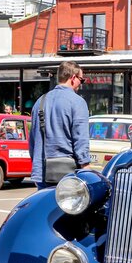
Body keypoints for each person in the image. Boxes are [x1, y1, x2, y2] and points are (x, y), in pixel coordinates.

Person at [29, 61, 91, 190]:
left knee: (46, 209)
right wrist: (86, 167)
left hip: (42, 172)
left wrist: (36, 167)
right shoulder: (77, 102)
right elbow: (80, 139)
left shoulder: (40, 101)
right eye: (81, 79)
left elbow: (32, 141)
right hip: (67, 173)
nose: (81, 83)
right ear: (73, 78)